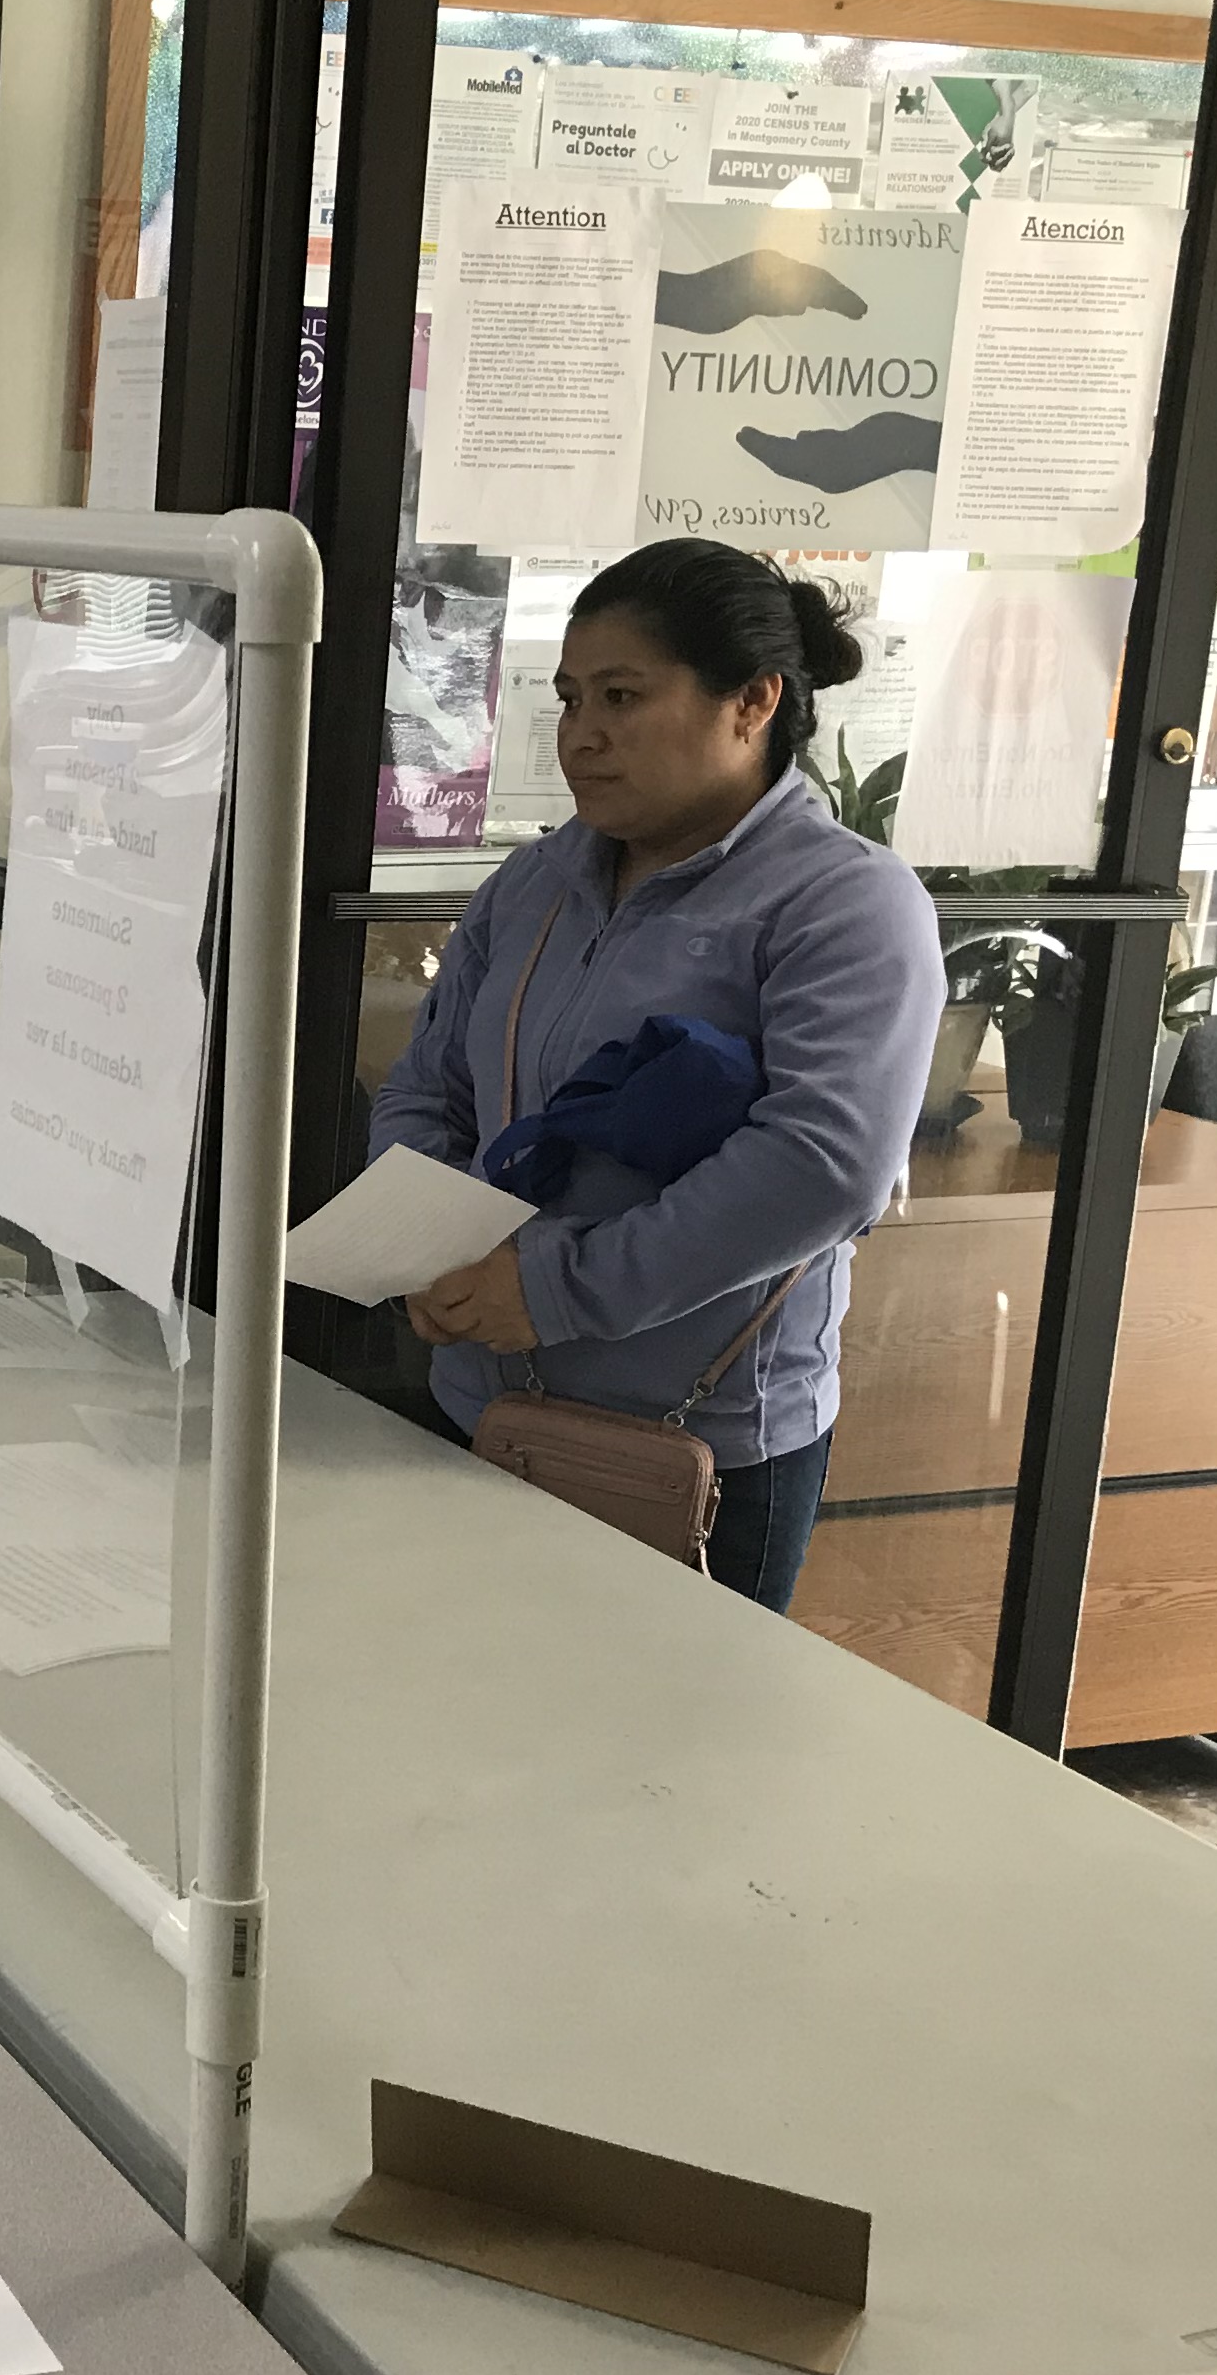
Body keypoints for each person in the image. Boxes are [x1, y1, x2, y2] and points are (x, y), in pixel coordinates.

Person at [364, 539, 942, 1611]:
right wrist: (423, 1246)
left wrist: (552, 1289)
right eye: (570, 698)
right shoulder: (533, 884)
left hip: (688, 1446)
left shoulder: (844, 904)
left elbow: (821, 1166)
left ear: (753, 701)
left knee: (662, 1723)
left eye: (622, 697)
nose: (582, 734)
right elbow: (428, 1089)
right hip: (479, 1403)